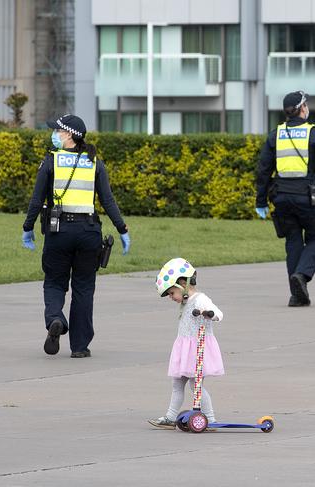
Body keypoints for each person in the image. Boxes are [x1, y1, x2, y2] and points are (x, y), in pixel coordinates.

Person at [21, 114, 131, 358]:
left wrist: (27, 228)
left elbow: (37, 200)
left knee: (54, 282)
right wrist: (122, 229)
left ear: (69, 134)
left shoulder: (51, 161)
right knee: (83, 288)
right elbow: (108, 200)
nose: (54, 134)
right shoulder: (94, 163)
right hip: (89, 233)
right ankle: (79, 347)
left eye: (58, 130)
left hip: (59, 232)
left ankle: (55, 320)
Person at [255, 91, 315, 307]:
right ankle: (302, 276)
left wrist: (261, 201)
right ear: (302, 108)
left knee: (293, 241)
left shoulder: (275, 134)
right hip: (307, 197)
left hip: (282, 198)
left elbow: (263, 170)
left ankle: (296, 296)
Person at [148, 258, 223, 429]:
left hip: (198, 349)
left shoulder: (200, 300)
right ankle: (170, 417)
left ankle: (211, 419)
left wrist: (210, 314)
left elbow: (219, 313)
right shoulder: (186, 302)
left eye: (171, 292)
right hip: (185, 349)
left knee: (195, 385)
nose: (171, 297)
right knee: (177, 383)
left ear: (183, 283)